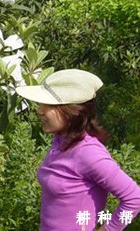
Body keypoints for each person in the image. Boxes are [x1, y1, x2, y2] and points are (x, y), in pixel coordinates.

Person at [15, 69, 140, 231]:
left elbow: (134, 198)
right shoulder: (61, 140)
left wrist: (110, 228)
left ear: (71, 110)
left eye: (48, 105)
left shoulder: (89, 153)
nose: (40, 110)